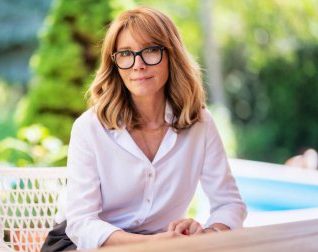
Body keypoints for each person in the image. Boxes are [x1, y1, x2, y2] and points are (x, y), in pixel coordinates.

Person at [41, 6, 247, 251]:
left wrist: (206, 233)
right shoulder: (89, 128)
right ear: (115, 63)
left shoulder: (200, 123)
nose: (138, 65)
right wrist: (152, 243)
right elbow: (82, 224)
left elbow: (230, 205)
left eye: (150, 50)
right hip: (84, 245)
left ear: (171, 55)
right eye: (126, 54)